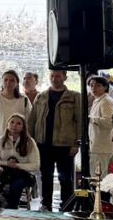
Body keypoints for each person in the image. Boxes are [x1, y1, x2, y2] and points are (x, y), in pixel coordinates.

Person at [27, 69, 82, 211]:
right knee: (45, 176)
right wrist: (31, 142)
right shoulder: (41, 96)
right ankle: (46, 204)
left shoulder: (74, 97)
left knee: (65, 177)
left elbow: (80, 121)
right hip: (43, 143)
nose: (54, 78)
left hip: (65, 144)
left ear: (65, 77)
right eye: (52, 75)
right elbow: (32, 120)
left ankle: (66, 206)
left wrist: (77, 143)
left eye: (58, 75)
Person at [0, 114, 39, 208]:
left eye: (19, 123)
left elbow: (35, 165)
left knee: (17, 184)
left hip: (22, 173)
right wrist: (6, 163)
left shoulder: (29, 142)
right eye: (12, 122)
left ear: (23, 128)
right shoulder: (0, 140)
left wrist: (18, 165)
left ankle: (12, 208)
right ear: (7, 125)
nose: (14, 125)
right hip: (4, 171)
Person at [88, 76, 113, 176]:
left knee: (101, 177)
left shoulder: (106, 101)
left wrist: (92, 118)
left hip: (103, 148)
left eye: (98, 85)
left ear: (105, 87)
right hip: (97, 146)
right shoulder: (98, 100)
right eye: (91, 85)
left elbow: (109, 122)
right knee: (96, 176)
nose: (93, 88)